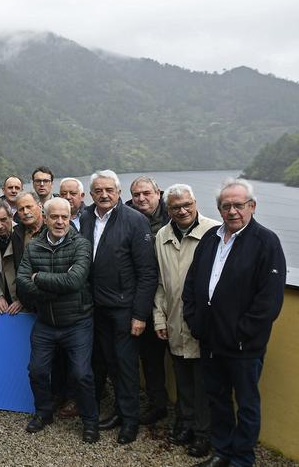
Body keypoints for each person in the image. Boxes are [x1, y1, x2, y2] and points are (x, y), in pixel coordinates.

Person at [183, 178, 286, 467]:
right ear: (219, 208)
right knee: (217, 401)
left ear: (252, 206)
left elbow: (269, 300)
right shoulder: (211, 238)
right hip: (210, 340)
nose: (232, 211)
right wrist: (195, 322)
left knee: (247, 405)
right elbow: (192, 285)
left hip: (244, 346)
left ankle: (242, 459)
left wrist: (242, 334)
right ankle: (222, 452)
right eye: (225, 206)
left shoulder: (266, 242)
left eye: (238, 205)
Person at [79, 169, 157, 444]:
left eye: (109, 190)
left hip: (124, 307)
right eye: (98, 190)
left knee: (125, 365)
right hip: (96, 305)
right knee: (109, 362)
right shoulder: (86, 216)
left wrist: (139, 314)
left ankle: (130, 421)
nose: (103, 194)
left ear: (119, 192)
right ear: (91, 194)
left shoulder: (135, 220)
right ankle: (119, 412)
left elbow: (148, 272)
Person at [16, 197, 98, 443]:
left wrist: (38, 277)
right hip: (46, 323)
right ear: (45, 216)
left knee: (82, 374)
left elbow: (75, 282)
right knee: (37, 371)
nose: (60, 221)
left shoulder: (81, 245)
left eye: (65, 216)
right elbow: (22, 282)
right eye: (54, 217)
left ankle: (90, 421)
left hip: (77, 322)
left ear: (70, 217)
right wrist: (55, 286)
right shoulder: (34, 246)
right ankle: (44, 412)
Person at [154, 184, 219, 459]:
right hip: (173, 320)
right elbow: (160, 282)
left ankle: (204, 434)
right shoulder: (162, 235)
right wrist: (158, 318)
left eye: (187, 205)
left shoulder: (214, 232)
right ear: (168, 209)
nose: (182, 210)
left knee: (204, 381)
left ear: (195, 203)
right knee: (182, 377)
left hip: (204, 322)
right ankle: (185, 424)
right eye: (176, 207)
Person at [128, 175, 171, 426]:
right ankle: (157, 405)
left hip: (169, 296)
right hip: (140, 296)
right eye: (136, 195)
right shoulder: (127, 215)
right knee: (149, 356)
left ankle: (188, 417)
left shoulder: (173, 214)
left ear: (158, 193)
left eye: (147, 193)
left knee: (177, 358)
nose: (141, 198)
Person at [0, 200, 21, 315]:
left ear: (11, 216)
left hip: (21, 299)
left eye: (3, 220)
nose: (0, 225)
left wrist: (23, 300)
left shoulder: (21, 234)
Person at [12, 192, 46, 266]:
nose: (25, 212)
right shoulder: (17, 234)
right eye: (21, 209)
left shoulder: (53, 228)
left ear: (40, 206)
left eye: (29, 207)